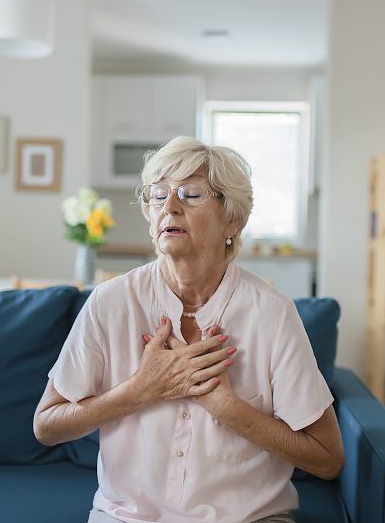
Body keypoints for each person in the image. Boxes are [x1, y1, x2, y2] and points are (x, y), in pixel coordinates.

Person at [34, 136, 344, 523]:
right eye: (158, 194)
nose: (170, 206)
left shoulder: (272, 314)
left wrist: (226, 409)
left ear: (232, 219)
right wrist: (140, 391)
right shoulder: (110, 302)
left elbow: (328, 459)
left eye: (191, 194)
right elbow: (46, 426)